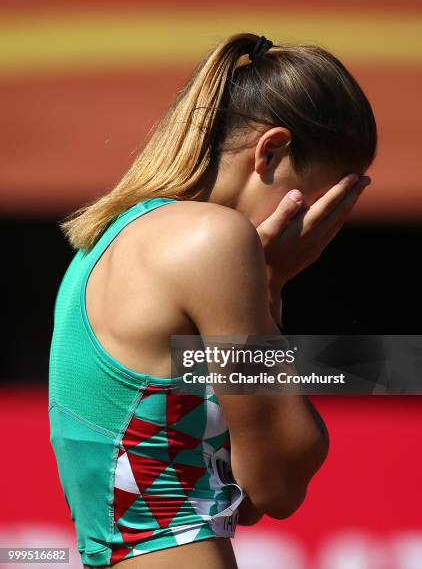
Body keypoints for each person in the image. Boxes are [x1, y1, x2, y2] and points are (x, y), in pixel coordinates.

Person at [48, 33, 376, 569]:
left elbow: (240, 498)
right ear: (270, 151)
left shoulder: (110, 240)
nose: (316, 229)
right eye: (320, 204)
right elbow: (278, 482)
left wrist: (264, 286)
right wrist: (270, 282)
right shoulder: (215, 240)